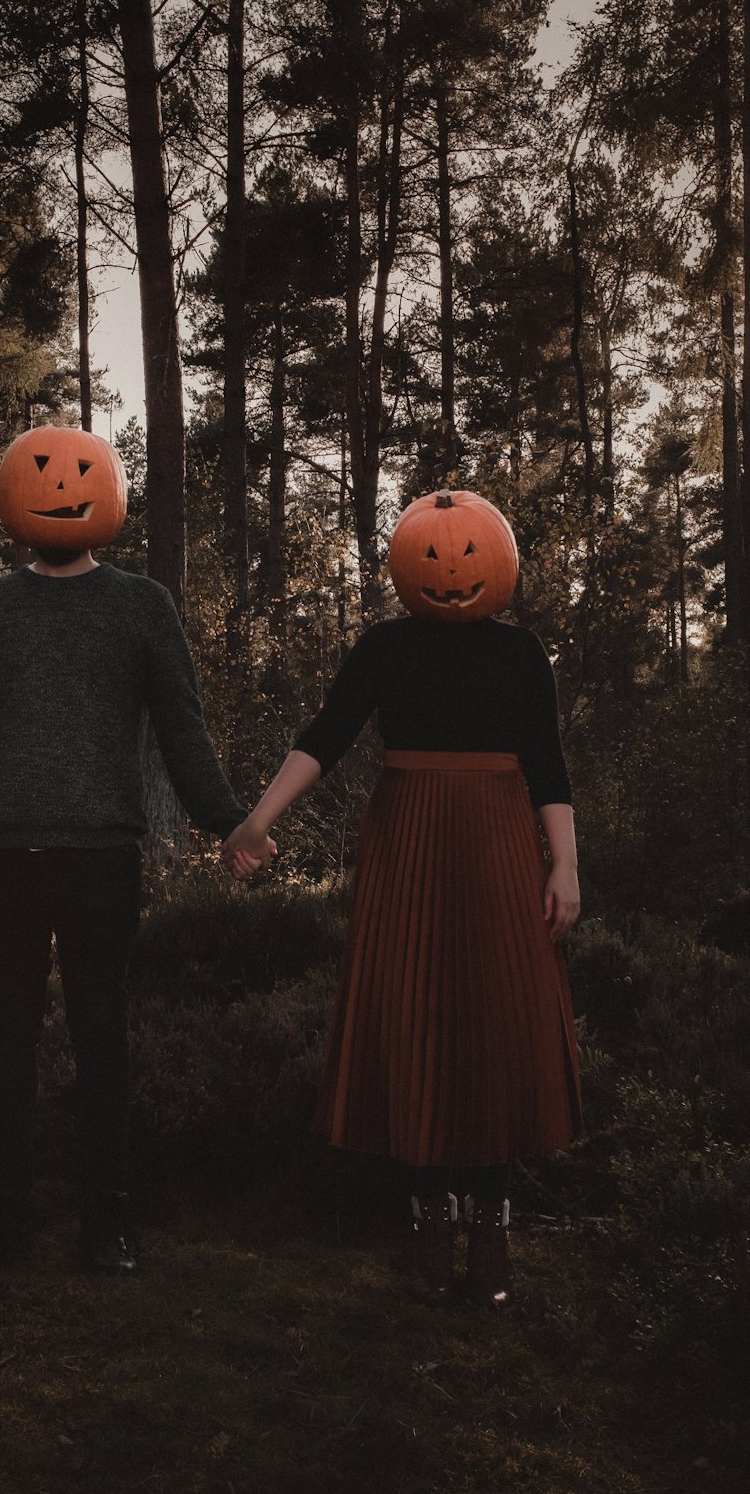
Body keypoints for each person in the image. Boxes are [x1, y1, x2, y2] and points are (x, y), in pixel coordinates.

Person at [223, 490, 583, 1307]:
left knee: (491, 1016)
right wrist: (255, 822)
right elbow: (325, 736)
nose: (451, 574)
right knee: (417, 1009)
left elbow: (550, 769)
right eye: (433, 560)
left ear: (497, 564)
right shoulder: (383, 647)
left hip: (498, 839)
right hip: (408, 838)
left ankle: (489, 1223)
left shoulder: (522, 654)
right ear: (405, 567)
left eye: (465, 560)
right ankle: (429, 1226)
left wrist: (563, 868)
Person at [0, 425, 248, 1274]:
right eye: (41, 473)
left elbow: (183, 729)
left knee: (104, 1034)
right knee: (7, 1035)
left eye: (77, 473)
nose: (61, 485)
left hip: (102, 853)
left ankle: (108, 1226)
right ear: (12, 498)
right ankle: (4, 1219)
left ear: (110, 491)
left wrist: (228, 821)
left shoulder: (142, 606)